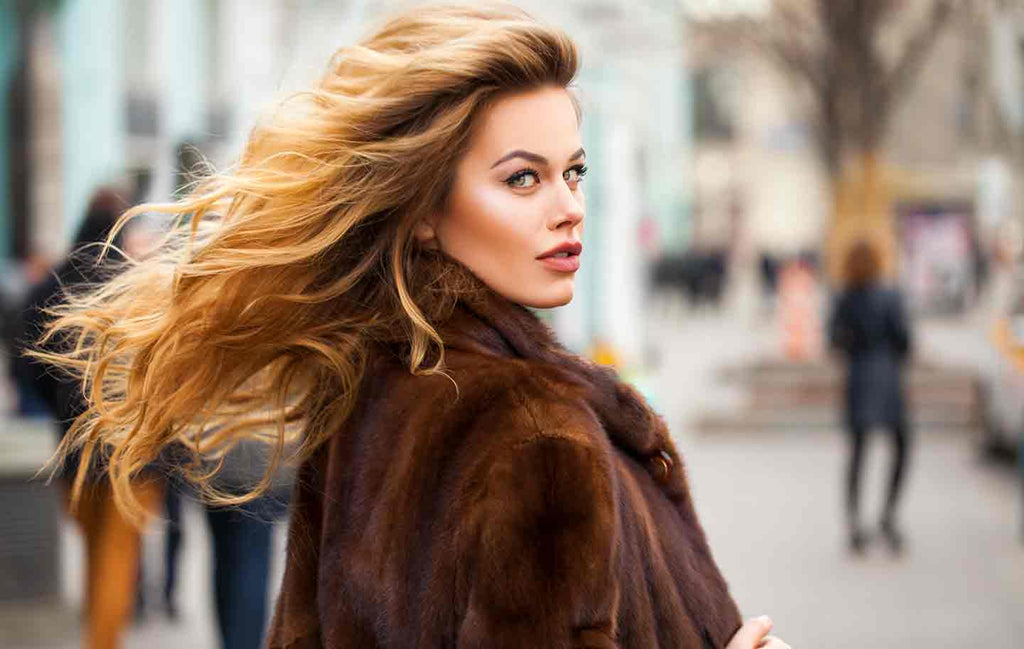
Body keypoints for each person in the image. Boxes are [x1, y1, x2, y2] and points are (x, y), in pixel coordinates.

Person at [33, 5, 790, 648]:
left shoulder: (372, 396)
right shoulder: (536, 436)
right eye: (522, 177)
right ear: (424, 211)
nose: (568, 205)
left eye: (575, 171)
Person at [13, 187, 163, 649]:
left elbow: (26, 362)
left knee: (97, 551)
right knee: (116, 558)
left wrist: (57, 408)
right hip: (133, 455)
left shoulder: (52, 285)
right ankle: (101, 640)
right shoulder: (138, 285)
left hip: (75, 449)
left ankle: (100, 635)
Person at [829, 240, 913, 555]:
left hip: (859, 379)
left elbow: (833, 340)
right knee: (901, 446)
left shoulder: (844, 297)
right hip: (889, 379)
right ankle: (888, 517)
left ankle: (854, 525)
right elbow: (904, 339)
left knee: (858, 454)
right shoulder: (890, 296)